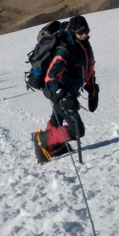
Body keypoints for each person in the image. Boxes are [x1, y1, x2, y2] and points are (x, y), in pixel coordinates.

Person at [43, 14, 97, 143]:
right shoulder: (65, 50)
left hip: (70, 93)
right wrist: (63, 96)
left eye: (87, 31)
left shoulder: (84, 45)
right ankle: (42, 140)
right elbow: (51, 78)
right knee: (77, 131)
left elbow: (88, 66)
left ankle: (52, 147)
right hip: (62, 95)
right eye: (81, 32)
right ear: (73, 32)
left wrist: (91, 86)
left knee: (56, 120)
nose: (85, 35)